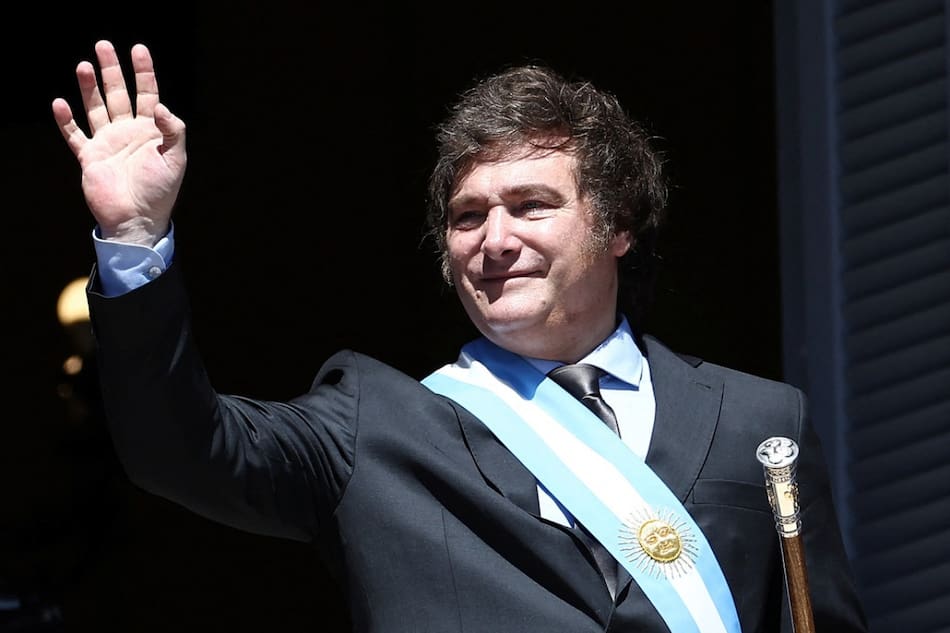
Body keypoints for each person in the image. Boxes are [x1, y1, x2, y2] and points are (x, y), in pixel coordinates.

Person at [52, 40, 868, 632]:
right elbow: (177, 448)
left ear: (616, 225)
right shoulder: (373, 426)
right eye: (468, 217)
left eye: (531, 206)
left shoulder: (762, 422)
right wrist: (133, 237)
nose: (494, 238)